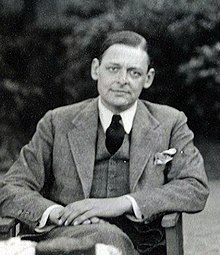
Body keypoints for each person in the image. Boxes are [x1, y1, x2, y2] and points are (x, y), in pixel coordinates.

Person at [0, 31, 209, 254]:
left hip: (141, 242)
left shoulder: (170, 122)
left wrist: (122, 202)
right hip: (69, 232)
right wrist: (54, 212)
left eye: (134, 72)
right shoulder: (57, 122)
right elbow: (11, 186)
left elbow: (194, 186)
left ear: (148, 78)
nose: (122, 80)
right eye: (113, 69)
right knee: (102, 238)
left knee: (109, 239)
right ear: (95, 69)